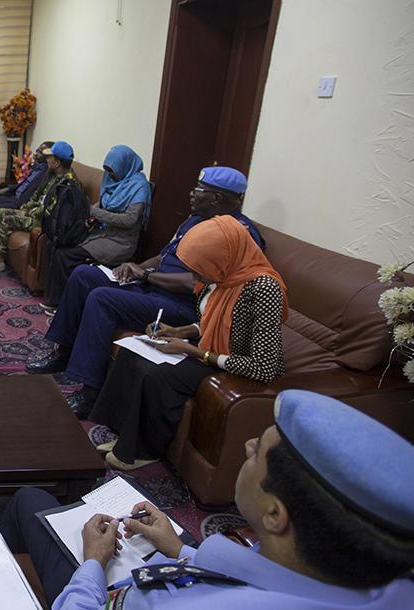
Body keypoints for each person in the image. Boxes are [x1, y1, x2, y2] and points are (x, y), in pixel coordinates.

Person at [0, 390, 414, 610]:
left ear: (274, 515)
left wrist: (93, 561)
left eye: (258, 451)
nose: (248, 444)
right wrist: (180, 550)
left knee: (29, 501)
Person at [26, 166, 265, 420]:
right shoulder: (195, 220)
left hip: (182, 306)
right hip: (153, 287)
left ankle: (90, 394)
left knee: (102, 299)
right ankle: (64, 353)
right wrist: (136, 266)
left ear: (216, 198)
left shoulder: (240, 233)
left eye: (199, 189)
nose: (192, 193)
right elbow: (163, 257)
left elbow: (198, 284)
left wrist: (147, 276)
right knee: (84, 275)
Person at [91, 214, 287, 470]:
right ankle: (123, 436)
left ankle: (143, 451)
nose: (196, 277)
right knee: (132, 353)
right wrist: (179, 331)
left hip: (235, 364)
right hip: (207, 346)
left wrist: (194, 351)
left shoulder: (264, 289)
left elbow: (263, 366)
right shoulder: (221, 275)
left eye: (199, 270)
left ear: (222, 258)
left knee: (156, 375)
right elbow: (213, 321)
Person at [43, 144, 152, 308]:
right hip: (100, 232)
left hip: (120, 241)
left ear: (125, 166)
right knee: (58, 245)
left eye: (113, 170)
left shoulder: (139, 186)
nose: (110, 175)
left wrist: (94, 212)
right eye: (107, 170)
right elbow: (101, 204)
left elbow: (130, 220)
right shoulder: (112, 179)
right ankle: (57, 299)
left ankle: (64, 305)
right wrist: (87, 214)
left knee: (67, 255)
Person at [0, 141, 79, 273]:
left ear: (57, 163)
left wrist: (30, 212)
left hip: (43, 221)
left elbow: (52, 212)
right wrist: (26, 208)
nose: (47, 159)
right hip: (34, 212)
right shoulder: (51, 174)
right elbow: (36, 195)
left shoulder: (68, 185)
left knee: (7, 219)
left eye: (49, 157)